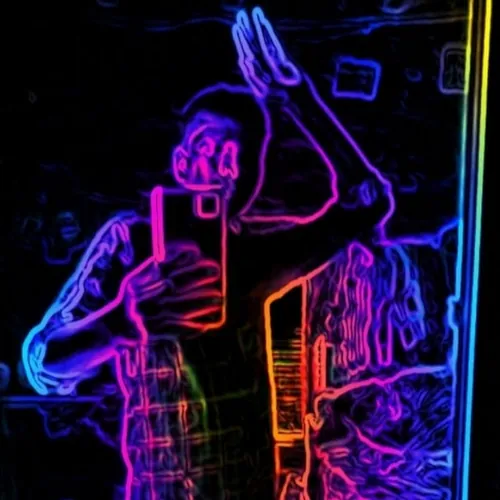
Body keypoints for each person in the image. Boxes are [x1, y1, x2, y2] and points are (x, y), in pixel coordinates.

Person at [22, 8, 393, 499]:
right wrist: (120, 323)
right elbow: (44, 362)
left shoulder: (254, 252)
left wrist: (294, 98)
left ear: (250, 176)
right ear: (178, 160)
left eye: (233, 157)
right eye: (203, 148)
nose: (217, 166)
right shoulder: (129, 243)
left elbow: (368, 201)